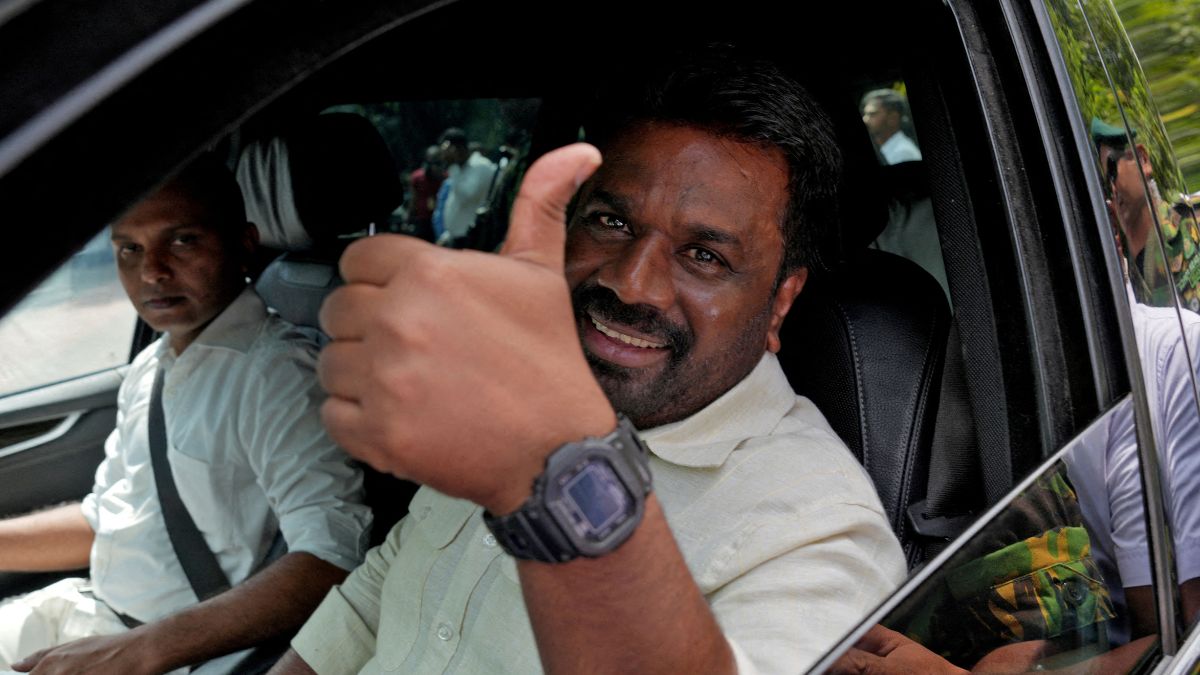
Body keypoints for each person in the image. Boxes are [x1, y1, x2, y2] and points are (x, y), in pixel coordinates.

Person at [273, 47, 906, 674]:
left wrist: (553, 474)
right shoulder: (509, 383)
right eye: (611, 221)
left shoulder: (822, 534)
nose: (633, 284)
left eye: (704, 257)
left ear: (778, 306)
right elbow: (374, 600)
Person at [0, 156, 371, 674]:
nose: (152, 270)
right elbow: (111, 517)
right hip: (88, 612)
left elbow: (331, 557)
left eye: (182, 241)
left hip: (174, 653)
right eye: (130, 249)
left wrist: (140, 652)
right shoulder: (151, 364)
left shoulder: (277, 376)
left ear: (243, 244)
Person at [435, 127, 498, 244]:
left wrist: (452, 166)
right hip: (456, 237)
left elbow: (467, 196)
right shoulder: (460, 168)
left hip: (473, 238)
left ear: (456, 148)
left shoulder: (480, 166)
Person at [861, 89, 922, 165]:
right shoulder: (889, 149)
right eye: (865, 114)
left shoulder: (903, 153)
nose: (865, 120)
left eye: (872, 114)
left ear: (893, 118)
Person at [406, 145, 445, 242]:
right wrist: (410, 216)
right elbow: (413, 198)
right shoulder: (417, 177)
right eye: (434, 162)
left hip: (440, 219)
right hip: (422, 218)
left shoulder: (446, 178)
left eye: (438, 162)